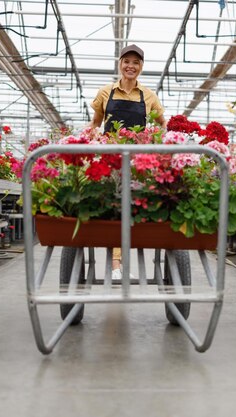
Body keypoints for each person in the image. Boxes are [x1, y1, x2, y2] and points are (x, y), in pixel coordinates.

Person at [89, 44, 166, 280]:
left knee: (131, 207)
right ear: (120, 64)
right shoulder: (106, 92)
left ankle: (119, 263)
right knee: (114, 206)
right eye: (126, 61)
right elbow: (95, 124)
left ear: (141, 67)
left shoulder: (149, 96)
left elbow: (163, 124)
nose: (130, 66)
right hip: (110, 159)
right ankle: (115, 265)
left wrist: (155, 141)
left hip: (137, 161)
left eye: (136, 63)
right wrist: (95, 137)